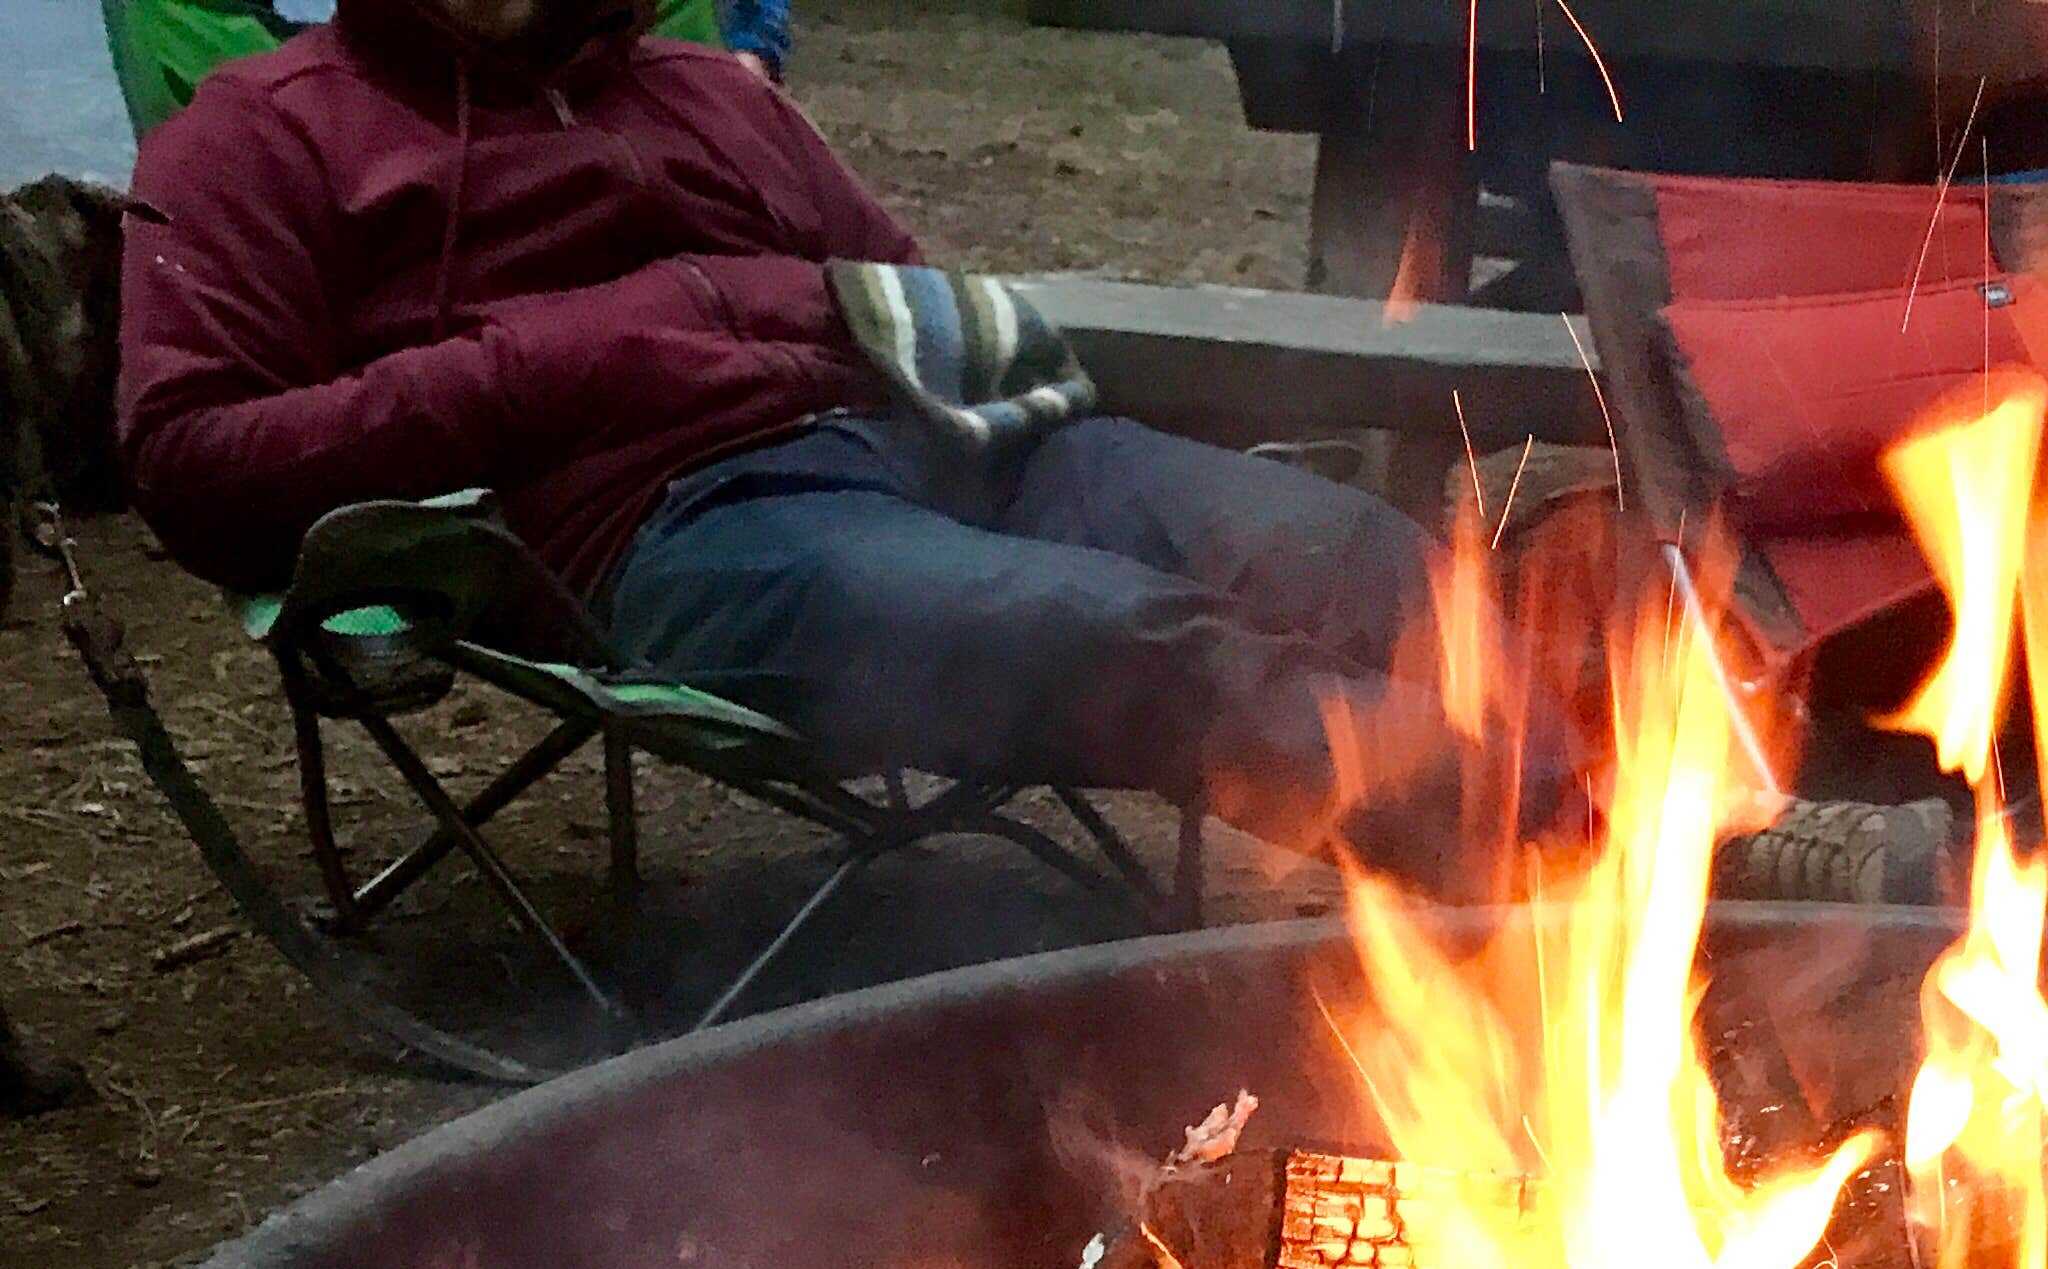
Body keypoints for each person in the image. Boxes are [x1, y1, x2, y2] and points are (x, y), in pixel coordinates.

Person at [116, 0, 1454, 860]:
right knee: (1140, 640)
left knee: (1363, 556)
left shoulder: (710, 91)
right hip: (685, 522)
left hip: (955, 441)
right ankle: (1558, 861)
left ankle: (1638, 834)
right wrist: (542, 367)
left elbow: (896, 286)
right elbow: (188, 460)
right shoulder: (262, 137)